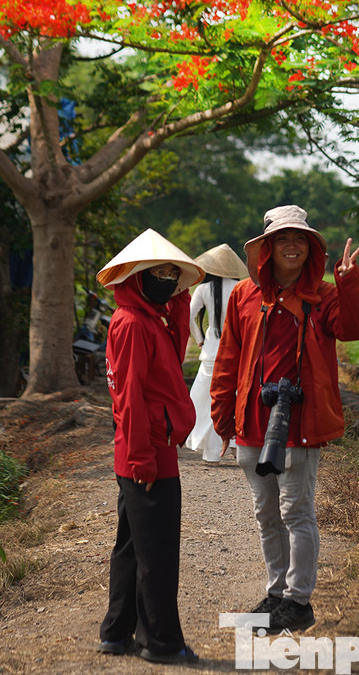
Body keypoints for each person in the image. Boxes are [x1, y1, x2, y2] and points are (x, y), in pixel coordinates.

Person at [210, 205, 359, 634]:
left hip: (300, 423)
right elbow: (228, 359)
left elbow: (353, 329)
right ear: (267, 248)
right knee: (266, 514)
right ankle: (276, 593)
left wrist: (348, 281)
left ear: (310, 247)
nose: (292, 246)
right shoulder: (245, 295)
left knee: (296, 511)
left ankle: (298, 602)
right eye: (283, 239)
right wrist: (223, 417)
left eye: (300, 239)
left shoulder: (325, 295)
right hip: (252, 423)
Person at [94, 229, 205, 665]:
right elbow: (129, 396)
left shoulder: (148, 320)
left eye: (171, 274)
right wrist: (141, 455)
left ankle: (116, 632)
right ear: (137, 277)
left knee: (131, 545)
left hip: (146, 449)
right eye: (157, 273)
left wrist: (177, 300)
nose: (165, 280)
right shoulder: (133, 324)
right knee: (157, 552)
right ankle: (160, 642)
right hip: (147, 454)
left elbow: (174, 355)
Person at [185, 244, 249, 462]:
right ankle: (236, 447)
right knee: (236, 398)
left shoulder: (203, 289)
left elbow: (190, 316)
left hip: (212, 351)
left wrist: (200, 340)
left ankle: (212, 453)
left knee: (207, 400)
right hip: (237, 351)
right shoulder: (241, 287)